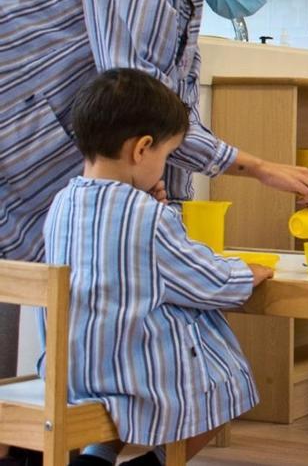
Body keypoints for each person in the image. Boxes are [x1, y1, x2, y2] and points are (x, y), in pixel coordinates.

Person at [0, 0, 308, 384]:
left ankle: (51, 424)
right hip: (20, 115)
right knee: (30, 277)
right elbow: (139, 108)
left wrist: (168, 194)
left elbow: (173, 109)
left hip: (34, 123)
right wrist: (256, 167)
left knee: (53, 275)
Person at [42, 69, 272, 466]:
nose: (162, 168)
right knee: (227, 381)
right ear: (142, 149)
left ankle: (94, 459)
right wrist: (246, 273)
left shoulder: (62, 203)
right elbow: (207, 282)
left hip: (71, 372)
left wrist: (151, 206)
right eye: (165, 156)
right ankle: (158, 462)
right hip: (132, 378)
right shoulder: (148, 216)